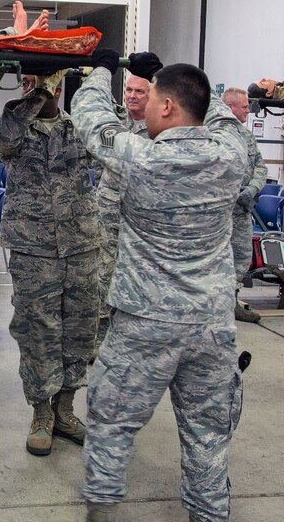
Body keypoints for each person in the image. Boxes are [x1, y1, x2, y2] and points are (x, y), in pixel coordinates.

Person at [72, 50, 246, 522]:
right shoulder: (231, 158)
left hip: (144, 324)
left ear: (166, 107)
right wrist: (163, 75)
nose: (144, 107)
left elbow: (88, 118)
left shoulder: (138, 156)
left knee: (110, 425)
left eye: (150, 98)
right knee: (209, 435)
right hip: (211, 326)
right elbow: (225, 119)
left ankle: (101, 514)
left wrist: (102, 71)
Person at [0, 70, 99, 456]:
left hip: (81, 245)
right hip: (33, 249)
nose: (38, 88)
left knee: (80, 331)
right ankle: (41, 413)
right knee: (39, 331)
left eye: (48, 81)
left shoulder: (80, 126)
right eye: (30, 82)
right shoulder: (13, 124)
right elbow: (2, 139)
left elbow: (112, 140)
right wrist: (36, 95)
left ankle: (65, 410)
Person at [93, 74, 151, 350]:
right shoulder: (114, 123)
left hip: (141, 213)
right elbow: (97, 159)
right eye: (128, 89)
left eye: (139, 91)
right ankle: (99, 336)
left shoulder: (157, 127)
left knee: (136, 272)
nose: (132, 95)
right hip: (109, 207)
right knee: (103, 270)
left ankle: (130, 334)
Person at [221, 87, 267, 323]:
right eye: (244, 106)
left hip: (241, 211)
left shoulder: (246, 136)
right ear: (230, 107)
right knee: (215, 259)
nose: (249, 110)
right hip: (218, 213)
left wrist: (253, 188)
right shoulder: (213, 133)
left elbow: (261, 166)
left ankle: (232, 302)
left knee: (240, 258)